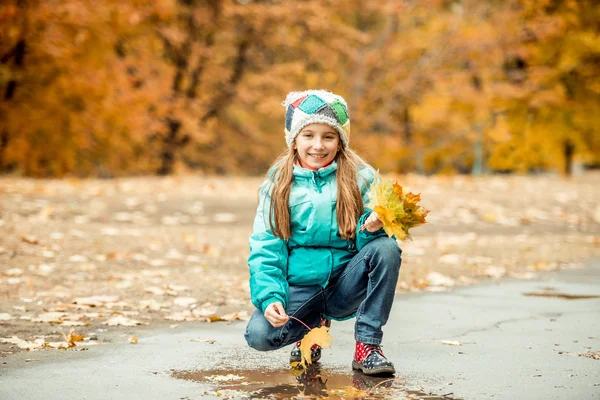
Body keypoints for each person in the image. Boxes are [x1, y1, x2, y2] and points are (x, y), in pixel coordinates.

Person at [244, 89, 402, 376]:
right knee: (258, 335)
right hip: (301, 287)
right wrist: (270, 298)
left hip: (345, 282)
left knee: (387, 248)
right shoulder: (277, 185)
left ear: (340, 141)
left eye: (328, 136)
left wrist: (373, 227)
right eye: (308, 135)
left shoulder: (361, 177)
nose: (318, 145)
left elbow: (374, 249)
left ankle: (368, 346)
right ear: (293, 139)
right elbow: (266, 247)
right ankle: (312, 326)